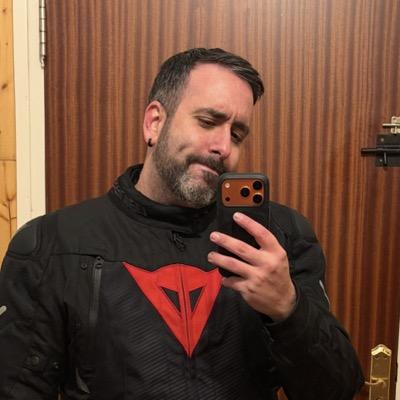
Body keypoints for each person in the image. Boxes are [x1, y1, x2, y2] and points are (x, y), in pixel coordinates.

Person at [0, 48, 363, 399]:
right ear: (155, 122)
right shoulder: (51, 244)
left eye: (237, 134)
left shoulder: (279, 238)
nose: (224, 147)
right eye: (208, 122)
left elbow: (335, 390)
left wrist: (287, 308)